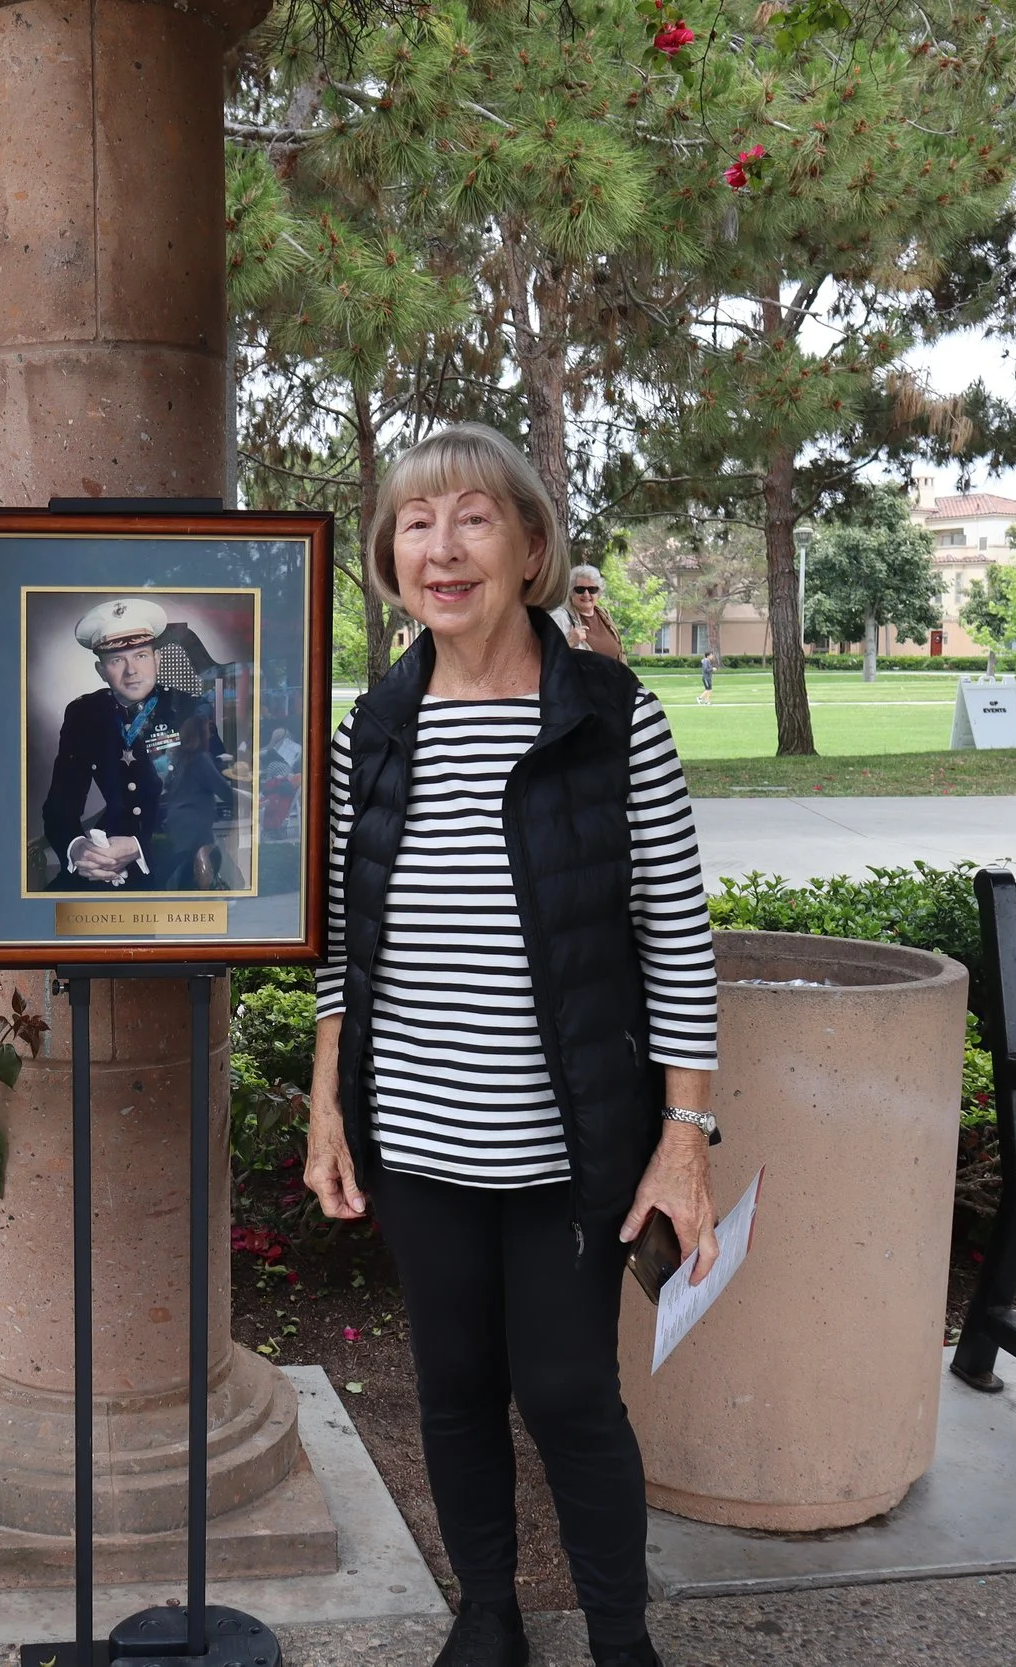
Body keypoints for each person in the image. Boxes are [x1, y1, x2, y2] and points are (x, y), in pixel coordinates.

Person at [302, 423, 720, 1667]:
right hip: (419, 1139)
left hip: (573, 1146)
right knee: (450, 1389)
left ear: (532, 545)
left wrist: (683, 1138)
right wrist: (329, 1108)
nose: (441, 548)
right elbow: (343, 946)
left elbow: (675, 940)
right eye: (415, 524)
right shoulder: (371, 727)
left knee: (570, 1393)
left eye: (474, 517)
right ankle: (485, 1613)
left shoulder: (609, 716)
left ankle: (618, 1634)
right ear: (388, 555)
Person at [39, 598, 233, 890]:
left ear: (156, 661)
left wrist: (138, 845)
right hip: (106, 854)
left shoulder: (191, 710)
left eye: (141, 656)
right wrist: (77, 847)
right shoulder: (84, 714)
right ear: (101, 671)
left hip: (176, 852)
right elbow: (60, 803)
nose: (132, 671)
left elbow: (213, 803)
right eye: (117, 660)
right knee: (53, 917)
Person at [555, 562, 627, 662]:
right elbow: (547, 658)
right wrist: (570, 643)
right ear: (571, 591)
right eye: (580, 589)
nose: (586, 594)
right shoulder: (560, 617)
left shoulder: (604, 615)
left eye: (592, 589)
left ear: (598, 592)